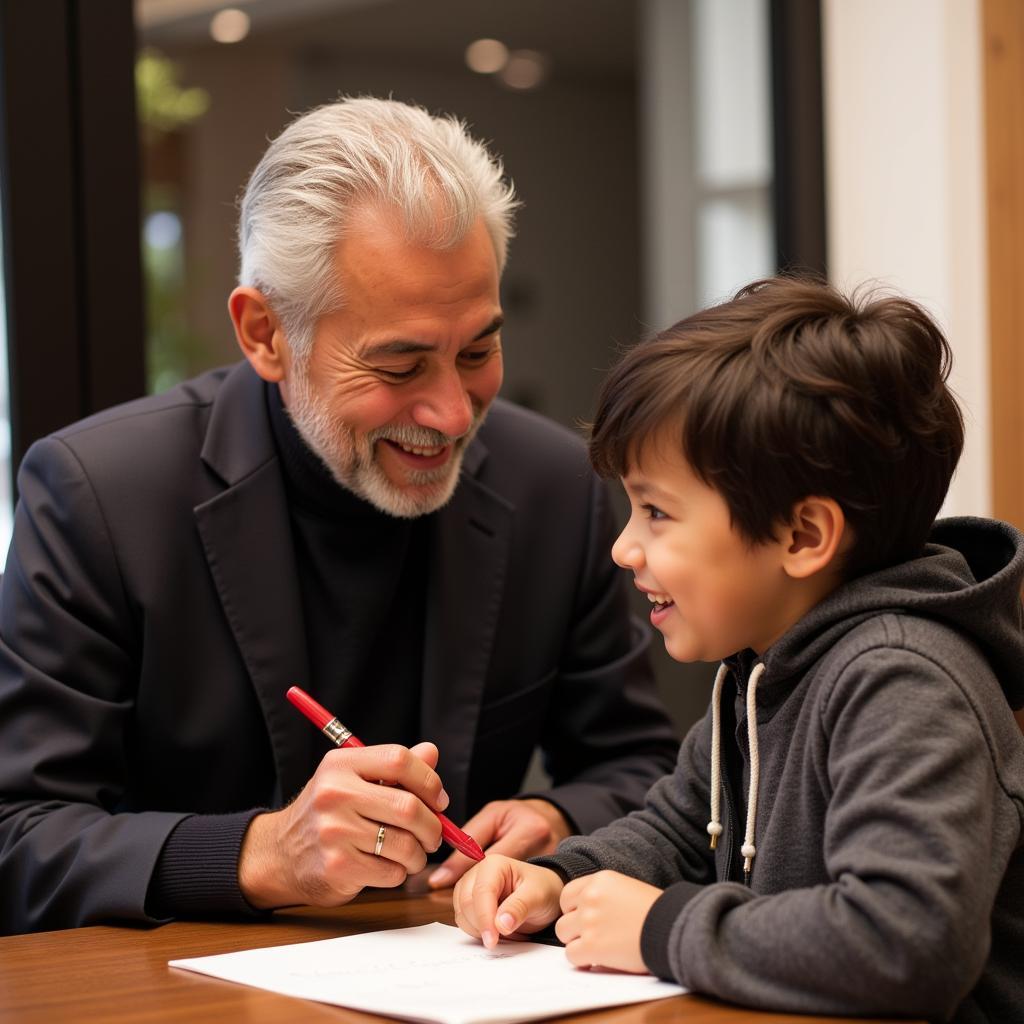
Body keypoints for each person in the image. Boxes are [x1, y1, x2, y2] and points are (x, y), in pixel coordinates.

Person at [0, 97, 679, 934]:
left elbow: (640, 764)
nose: (453, 416)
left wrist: (561, 822)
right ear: (264, 334)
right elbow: (17, 838)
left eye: (477, 352)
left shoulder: (551, 486)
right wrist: (261, 853)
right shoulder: (99, 496)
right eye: (399, 365)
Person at [453, 277, 1024, 1022]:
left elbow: (906, 942)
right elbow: (679, 829)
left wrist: (660, 929)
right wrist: (557, 878)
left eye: (658, 511)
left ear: (802, 537)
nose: (625, 548)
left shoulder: (903, 682)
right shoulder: (761, 669)